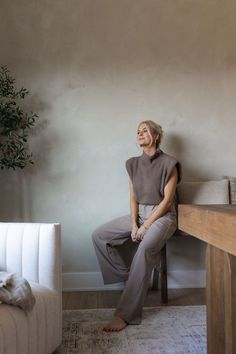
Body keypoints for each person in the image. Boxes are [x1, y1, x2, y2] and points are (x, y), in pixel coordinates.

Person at [92, 120, 181, 332]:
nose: (140, 133)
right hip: (139, 214)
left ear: (156, 135)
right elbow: (133, 197)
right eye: (138, 131)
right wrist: (134, 224)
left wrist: (146, 226)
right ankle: (131, 278)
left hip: (163, 217)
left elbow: (167, 201)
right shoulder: (132, 163)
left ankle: (125, 315)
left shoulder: (170, 162)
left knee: (143, 251)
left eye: (145, 130)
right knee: (99, 236)